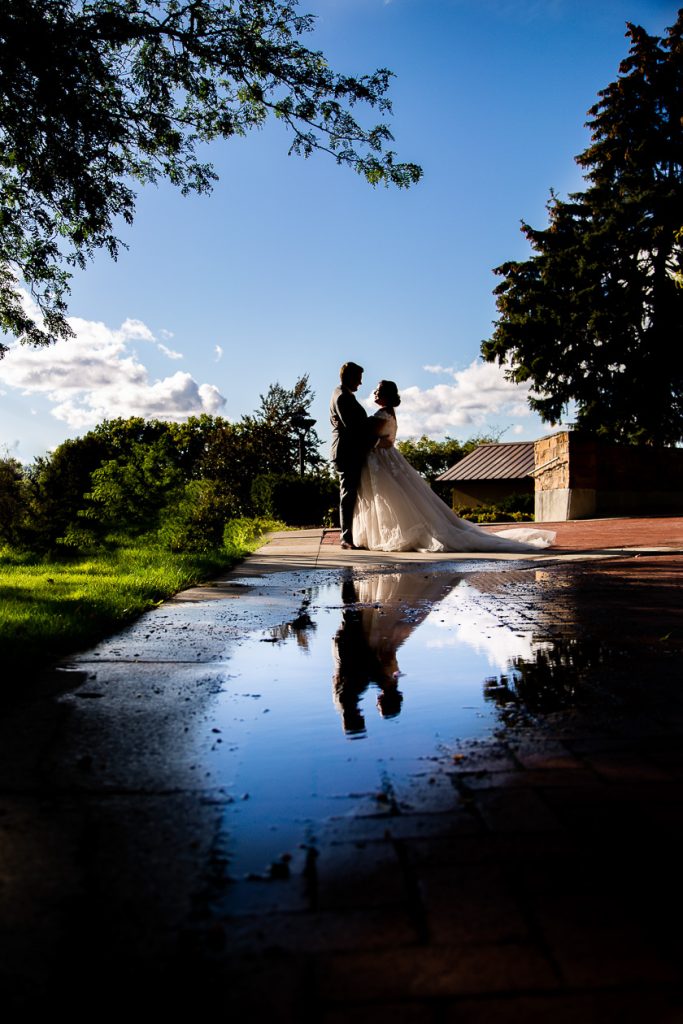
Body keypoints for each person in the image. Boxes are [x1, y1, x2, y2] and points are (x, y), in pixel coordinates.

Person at [353, 380, 556, 553]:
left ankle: (399, 534)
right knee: (390, 498)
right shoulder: (387, 412)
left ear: (386, 395)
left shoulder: (383, 414)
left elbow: (371, 437)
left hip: (382, 460)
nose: (375, 392)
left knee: (393, 498)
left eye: (379, 390)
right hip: (382, 459)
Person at [329, 361, 375, 549]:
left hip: (350, 450)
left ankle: (351, 535)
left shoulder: (342, 394)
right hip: (347, 451)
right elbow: (354, 429)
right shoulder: (342, 398)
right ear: (349, 377)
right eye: (358, 379)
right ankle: (346, 538)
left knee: (352, 494)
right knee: (348, 494)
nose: (360, 383)